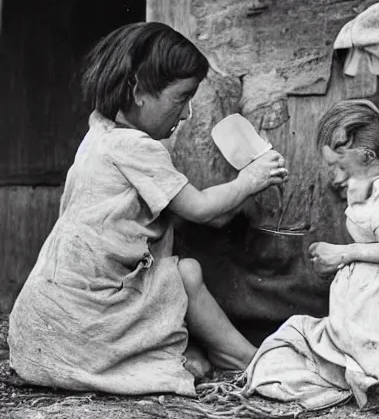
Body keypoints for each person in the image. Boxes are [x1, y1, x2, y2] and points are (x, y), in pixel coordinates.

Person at [6, 22, 288, 396]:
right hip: (86, 315)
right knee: (186, 274)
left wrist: (242, 187)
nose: (186, 113)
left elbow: (214, 214)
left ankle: (214, 352)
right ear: (138, 92)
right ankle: (245, 358)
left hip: (46, 318)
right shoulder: (137, 148)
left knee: (178, 275)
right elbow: (203, 210)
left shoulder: (99, 136)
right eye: (181, 97)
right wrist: (250, 180)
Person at [241, 99, 379, 410]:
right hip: (378, 286)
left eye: (339, 166)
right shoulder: (378, 181)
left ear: (367, 157)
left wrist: (342, 254)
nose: (332, 175)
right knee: (375, 329)